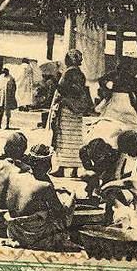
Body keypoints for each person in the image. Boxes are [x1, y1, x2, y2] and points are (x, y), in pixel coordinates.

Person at [2, 144, 76, 251]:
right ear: (47, 164)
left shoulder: (16, 175)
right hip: (33, 235)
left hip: (14, 231)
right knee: (66, 205)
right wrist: (72, 196)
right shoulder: (45, 186)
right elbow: (60, 211)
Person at [50, 49, 93, 177]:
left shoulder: (67, 73)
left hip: (67, 108)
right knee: (75, 139)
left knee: (64, 137)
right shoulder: (81, 74)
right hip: (77, 109)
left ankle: (62, 168)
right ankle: (74, 170)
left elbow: (62, 89)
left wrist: (55, 82)